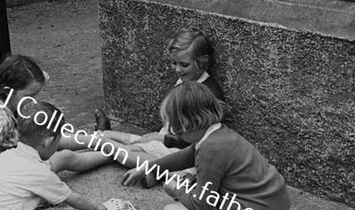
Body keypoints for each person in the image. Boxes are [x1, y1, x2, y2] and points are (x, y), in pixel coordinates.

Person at [122, 82, 297, 210]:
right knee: (188, 184)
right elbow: (185, 156)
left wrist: (177, 189)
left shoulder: (210, 150)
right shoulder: (218, 133)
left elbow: (202, 205)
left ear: (186, 124)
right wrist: (147, 168)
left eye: (175, 128)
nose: (174, 133)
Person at [61, 29, 230, 176]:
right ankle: (58, 143)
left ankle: (61, 153)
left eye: (184, 64)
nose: (177, 69)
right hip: (159, 141)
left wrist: (162, 139)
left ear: (202, 61)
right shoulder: (186, 80)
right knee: (106, 138)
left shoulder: (205, 93)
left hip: (175, 155)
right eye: (174, 63)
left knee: (113, 148)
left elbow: (199, 138)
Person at [0, 55, 113, 207]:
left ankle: (99, 139)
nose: (34, 100)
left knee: (47, 138)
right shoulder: (1, 120)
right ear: (10, 91)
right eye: (30, 95)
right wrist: (17, 170)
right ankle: (112, 155)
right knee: (64, 157)